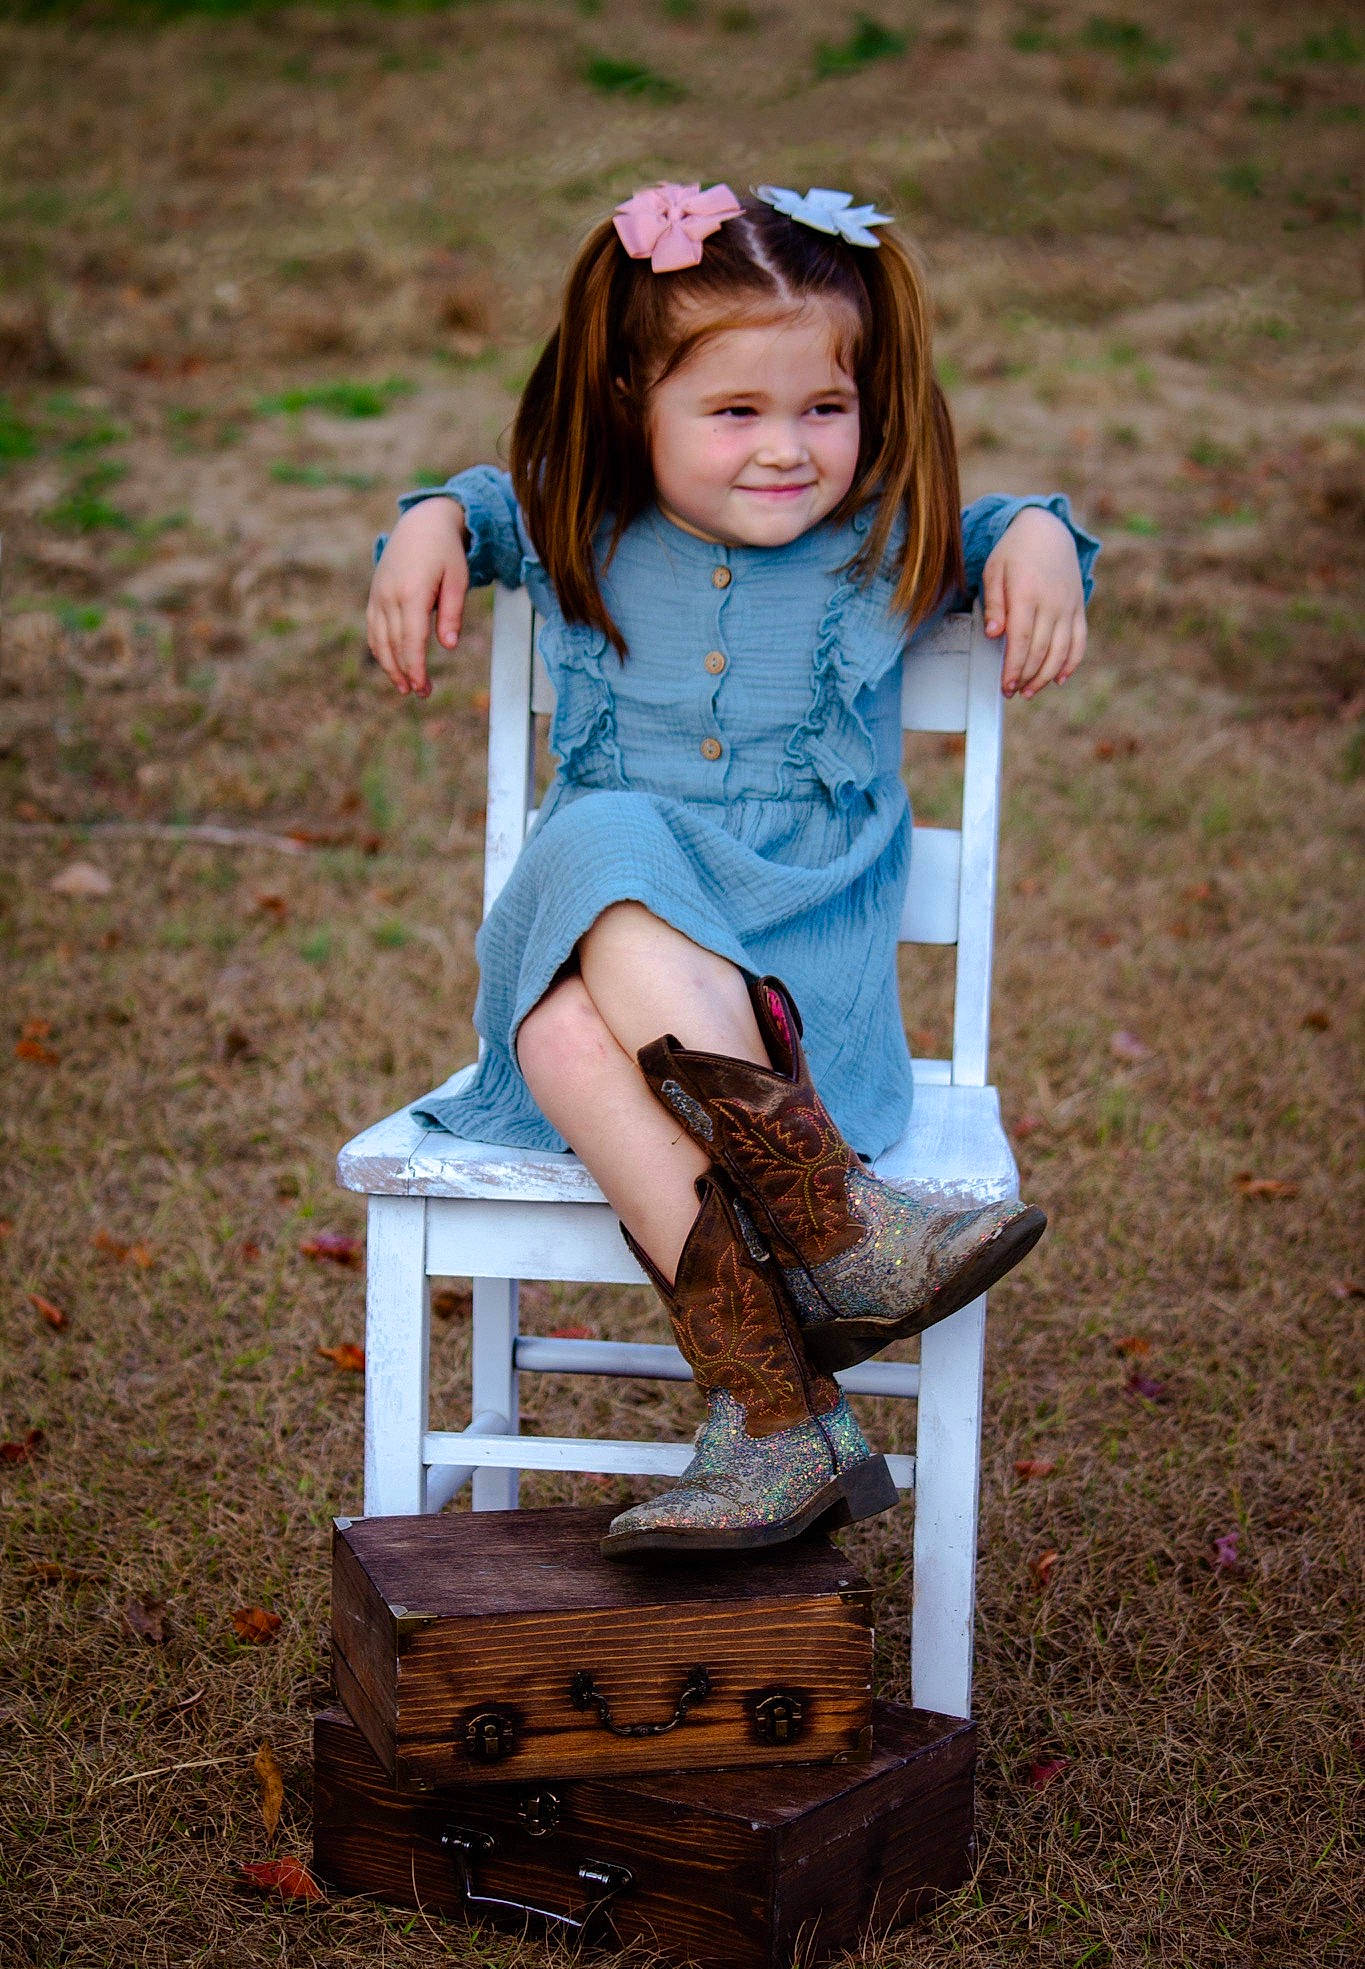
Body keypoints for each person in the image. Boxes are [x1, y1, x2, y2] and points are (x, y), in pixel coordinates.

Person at [367, 181, 1098, 1559]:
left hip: (800, 1012)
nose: (785, 450)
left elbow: (998, 527)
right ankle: (824, 1266)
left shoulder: (884, 550)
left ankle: (774, 1415)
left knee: (583, 957)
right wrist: (425, 525)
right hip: (624, 987)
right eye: (734, 412)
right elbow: (476, 504)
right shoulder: (580, 530)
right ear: (632, 400)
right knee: (585, 948)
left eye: (823, 409)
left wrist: (1043, 533)